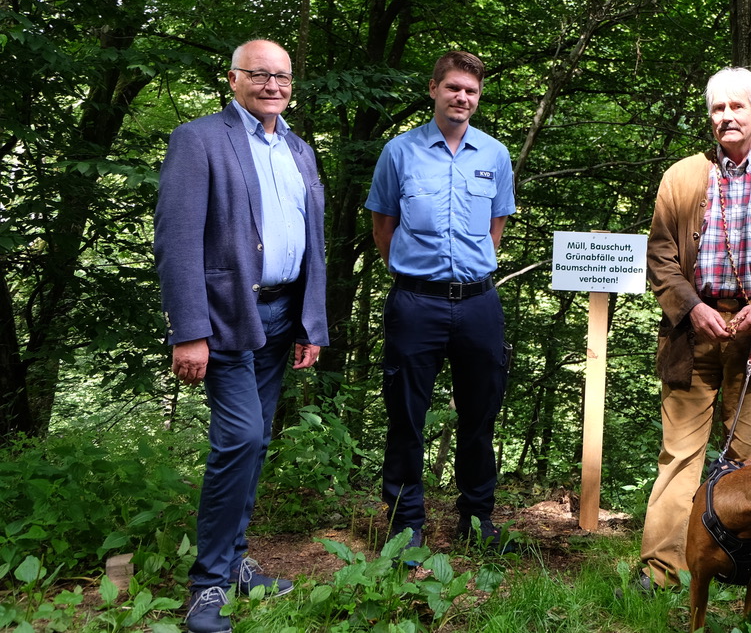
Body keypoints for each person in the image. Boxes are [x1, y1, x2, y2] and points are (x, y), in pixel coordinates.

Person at [155, 40, 328, 633]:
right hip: (226, 317)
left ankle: (234, 565)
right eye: (259, 74)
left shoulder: (300, 150)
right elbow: (176, 241)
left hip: (281, 320)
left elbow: (313, 246)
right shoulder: (199, 139)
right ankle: (208, 586)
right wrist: (189, 332)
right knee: (241, 438)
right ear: (233, 79)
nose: (272, 84)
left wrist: (312, 323)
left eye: (281, 75)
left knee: (253, 446)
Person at [638, 66, 751, 589]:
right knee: (679, 454)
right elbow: (660, 256)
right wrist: (690, 306)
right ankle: (662, 568)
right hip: (690, 331)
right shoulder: (681, 177)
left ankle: (737, 564)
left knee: (747, 460)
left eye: (736, 107)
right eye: (717, 108)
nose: (726, 117)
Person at [365, 50, 516, 555]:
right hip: (415, 303)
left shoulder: (494, 155)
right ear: (433, 89)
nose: (462, 98)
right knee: (406, 416)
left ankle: (477, 521)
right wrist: (416, 274)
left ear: (478, 97)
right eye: (453, 87)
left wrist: (468, 271)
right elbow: (383, 226)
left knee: (481, 415)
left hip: (478, 304)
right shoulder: (399, 152)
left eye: (471, 91)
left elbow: (496, 227)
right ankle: (406, 524)